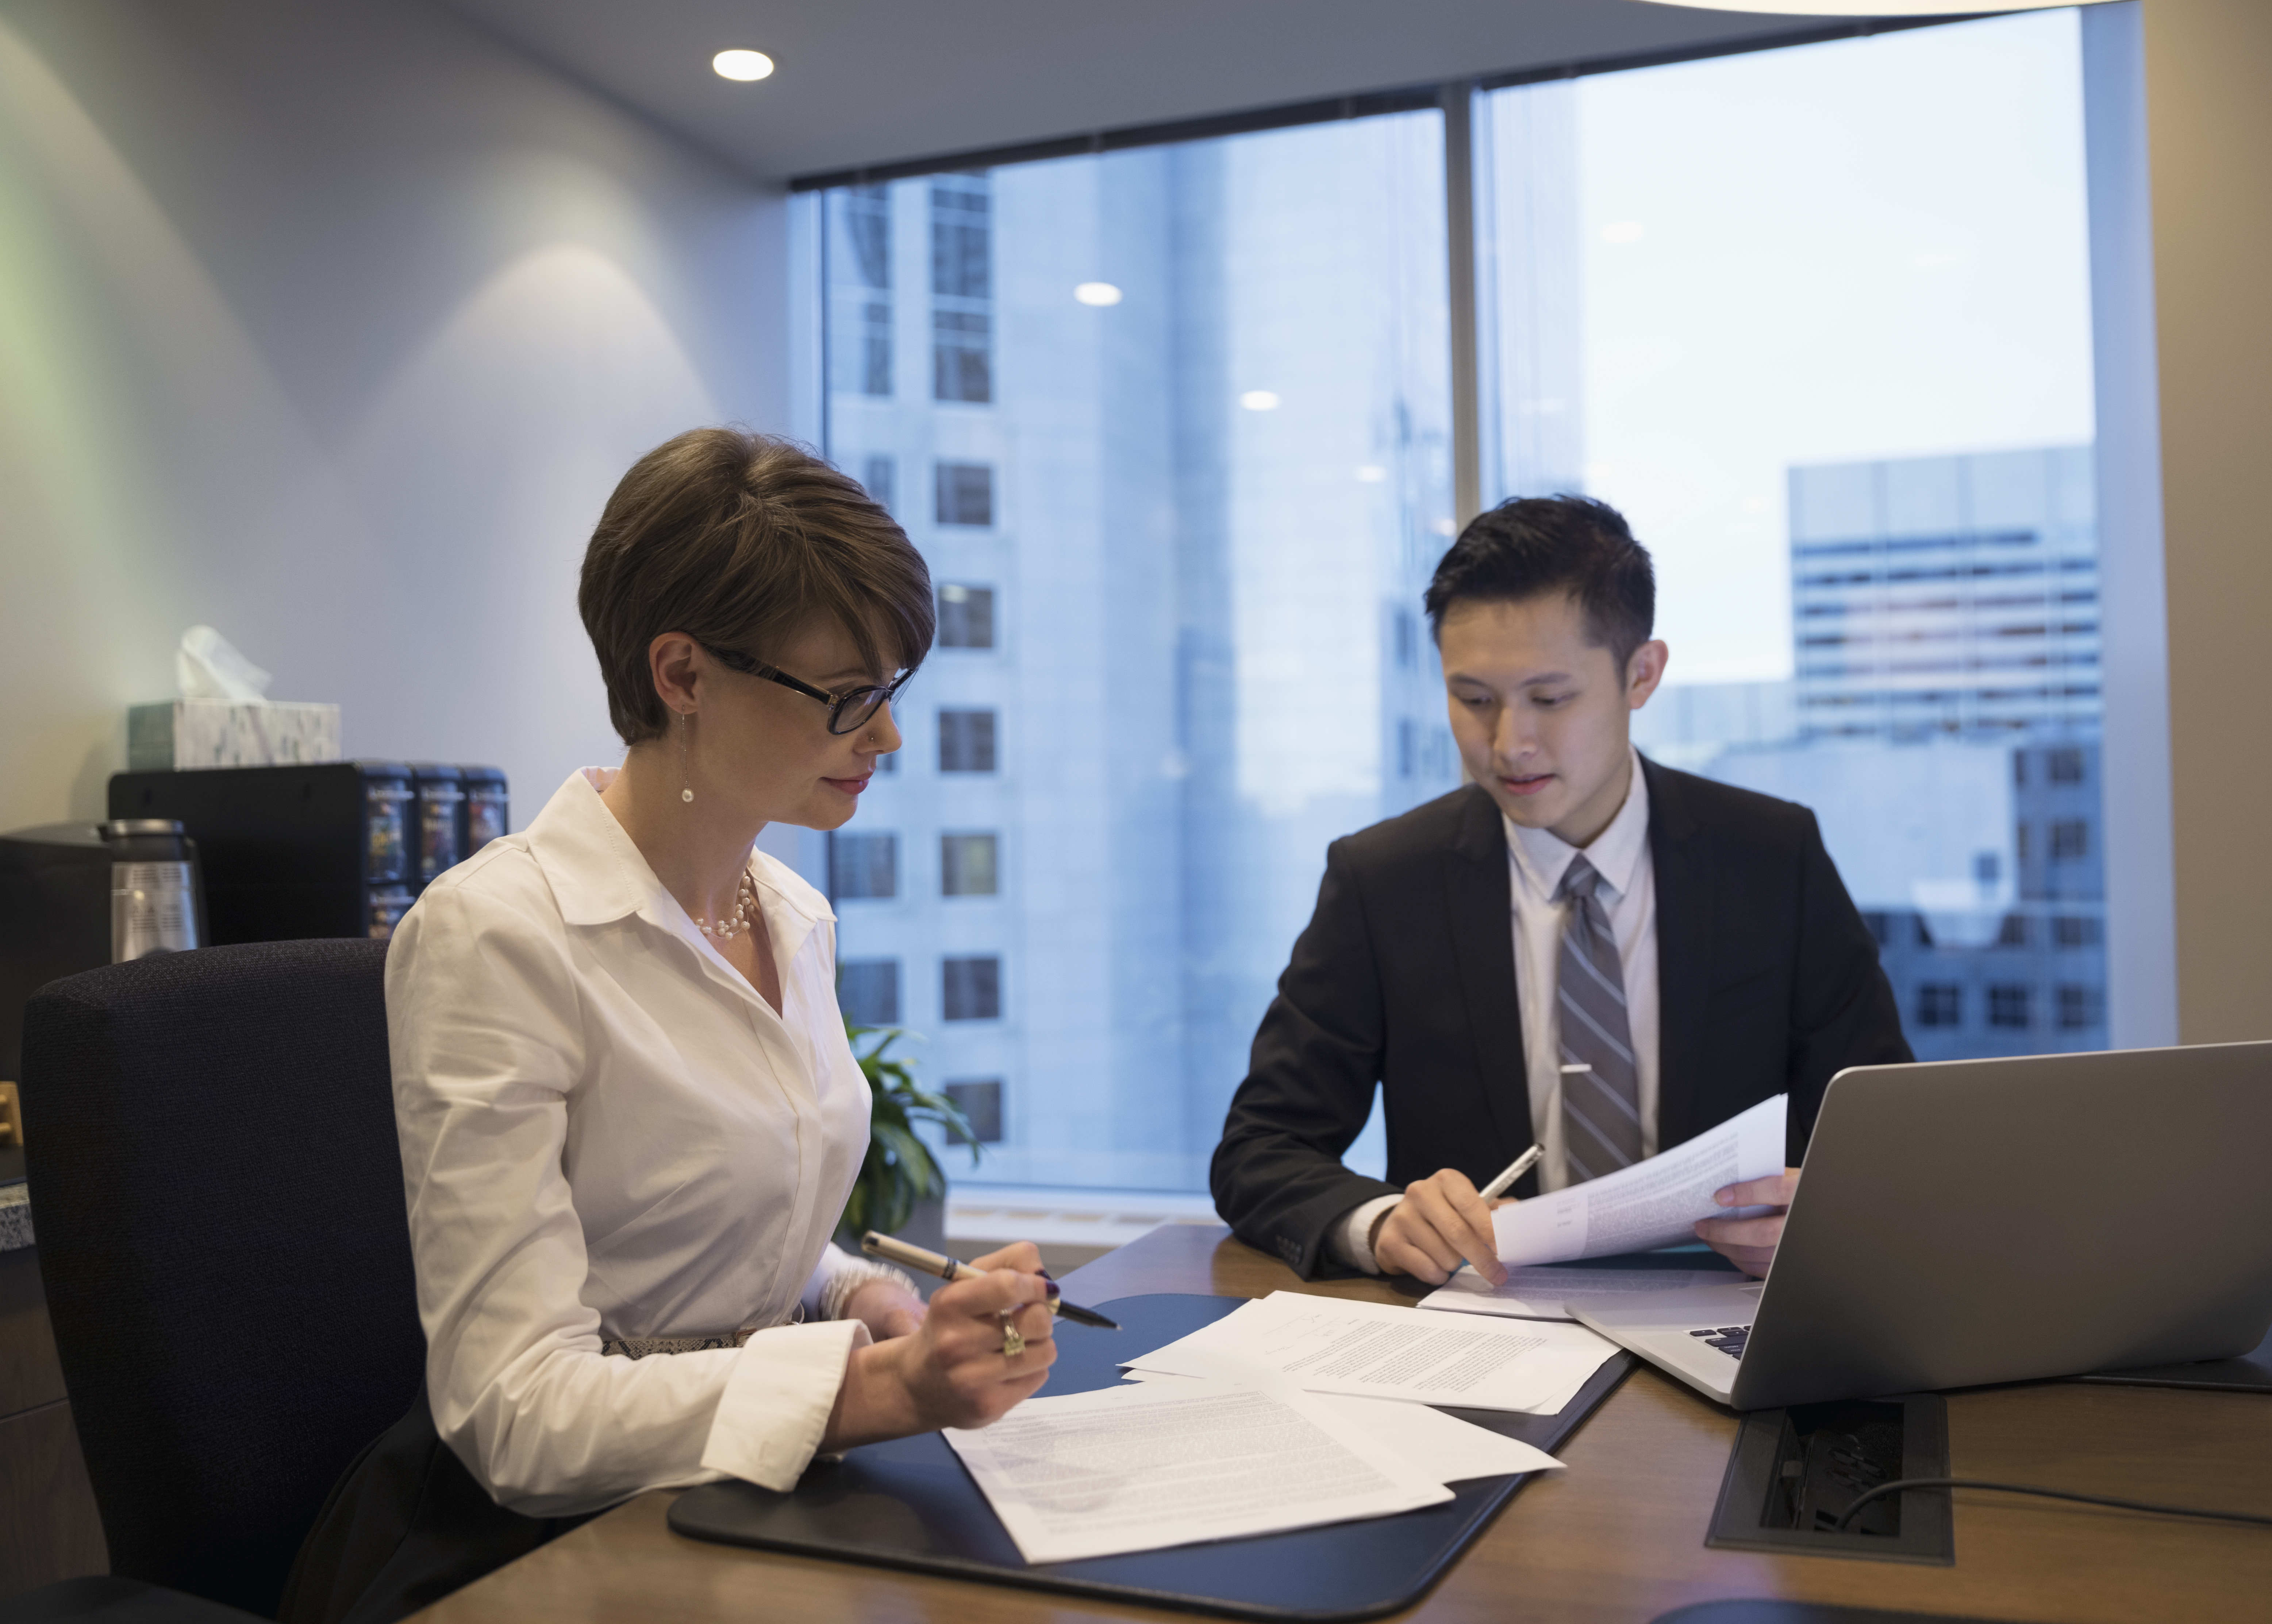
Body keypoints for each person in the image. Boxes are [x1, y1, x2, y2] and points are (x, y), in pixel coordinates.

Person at [283, 430, 1057, 1624]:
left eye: (892, 690)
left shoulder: (791, 913)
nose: (888, 738)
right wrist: (880, 1390)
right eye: (849, 696)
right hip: (533, 1555)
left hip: (735, 1506)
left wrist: (867, 1303)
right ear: (683, 676)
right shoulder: (500, 937)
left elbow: (722, 1247)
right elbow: (518, 1419)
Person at [1210, 495, 1911, 1289]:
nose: (1510, 743)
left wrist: (1820, 1212)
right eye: (1474, 699)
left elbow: (1884, 1138)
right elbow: (1261, 1149)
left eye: (1550, 698)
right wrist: (1379, 1224)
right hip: (1482, 1334)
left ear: (1641, 674)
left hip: (1729, 1309)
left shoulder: (1771, 856)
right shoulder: (1383, 880)